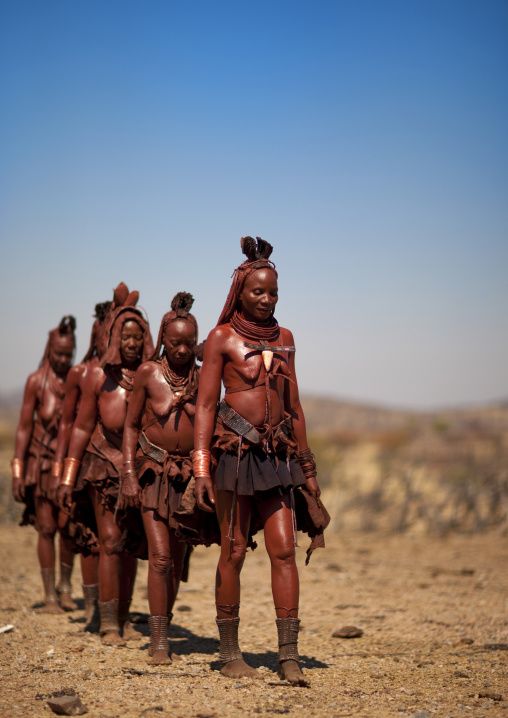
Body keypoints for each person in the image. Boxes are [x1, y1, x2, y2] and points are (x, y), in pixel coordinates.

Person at [194, 237, 328, 686]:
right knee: (233, 551)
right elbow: (207, 405)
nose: (267, 300)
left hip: (278, 456)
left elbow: (296, 406)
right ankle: (230, 652)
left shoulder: (285, 338)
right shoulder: (220, 338)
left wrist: (308, 469)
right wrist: (200, 466)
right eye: (258, 292)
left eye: (273, 293)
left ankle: (288, 655)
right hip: (234, 455)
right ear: (240, 292)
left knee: (285, 550)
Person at [121, 292, 217, 664]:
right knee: (160, 559)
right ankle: (159, 643)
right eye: (174, 342)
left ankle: (162, 623)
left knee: (176, 561)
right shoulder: (148, 372)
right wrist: (128, 473)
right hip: (151, 472)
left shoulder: (203, 377)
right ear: (163, 339)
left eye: (187, 343)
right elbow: (130, 426)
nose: (180, 349)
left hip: (188, 477)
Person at [60, 286, 154, 645]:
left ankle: (125, 617)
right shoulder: (98, 378)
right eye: (125, 336)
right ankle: (108, 624)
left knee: (131, 544)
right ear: (114, 337)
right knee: (110, 541)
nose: (131, 342)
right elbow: (81, 427)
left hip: (140, 472)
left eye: (138, 336)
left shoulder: (152, 376)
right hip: (103, 467)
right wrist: (66, 478)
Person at [11, 316, 78, 613]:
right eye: (58, 354)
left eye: (68, 354)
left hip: (69, 467)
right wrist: (18, 470)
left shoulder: (77, 381)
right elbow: (24, 427)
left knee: (69, 526)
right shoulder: (36, 382)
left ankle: (66, 588)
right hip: (40, 465)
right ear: (49, 350)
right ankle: (49, 594)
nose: (63, 360)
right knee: (47, 528)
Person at [54, 300, 111, 632]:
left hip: (119, 466)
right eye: (102, 333)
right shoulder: (81, 373)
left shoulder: (131, 372)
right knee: (88, 537)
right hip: (86, 461)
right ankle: (93, 610)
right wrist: (62, 471)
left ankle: (113, 608)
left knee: (116, 541)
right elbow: (67, 424)